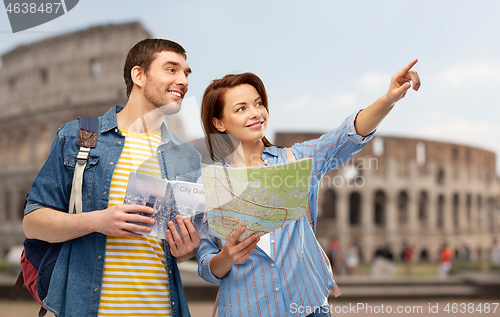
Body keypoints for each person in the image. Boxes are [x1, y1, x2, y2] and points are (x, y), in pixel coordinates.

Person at [196, 60, 420, 316]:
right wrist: (227, 256)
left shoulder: (297, 160)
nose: (256, 113)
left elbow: (347, 135)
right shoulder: (208, 186)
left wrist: (389, 98)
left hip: (308, 306)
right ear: (219, 123)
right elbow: (206, 266)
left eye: (259, 103)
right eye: (241, 108)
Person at [22, 39, 201, 317]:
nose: (183, 80)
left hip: (163, 310)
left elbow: (177, 254)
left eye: (186, 73)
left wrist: (187, 248)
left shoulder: (187, 155)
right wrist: (98, 221)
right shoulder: (81, 135)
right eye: (171, 70)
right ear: (138, 75)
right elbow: (32, 222)